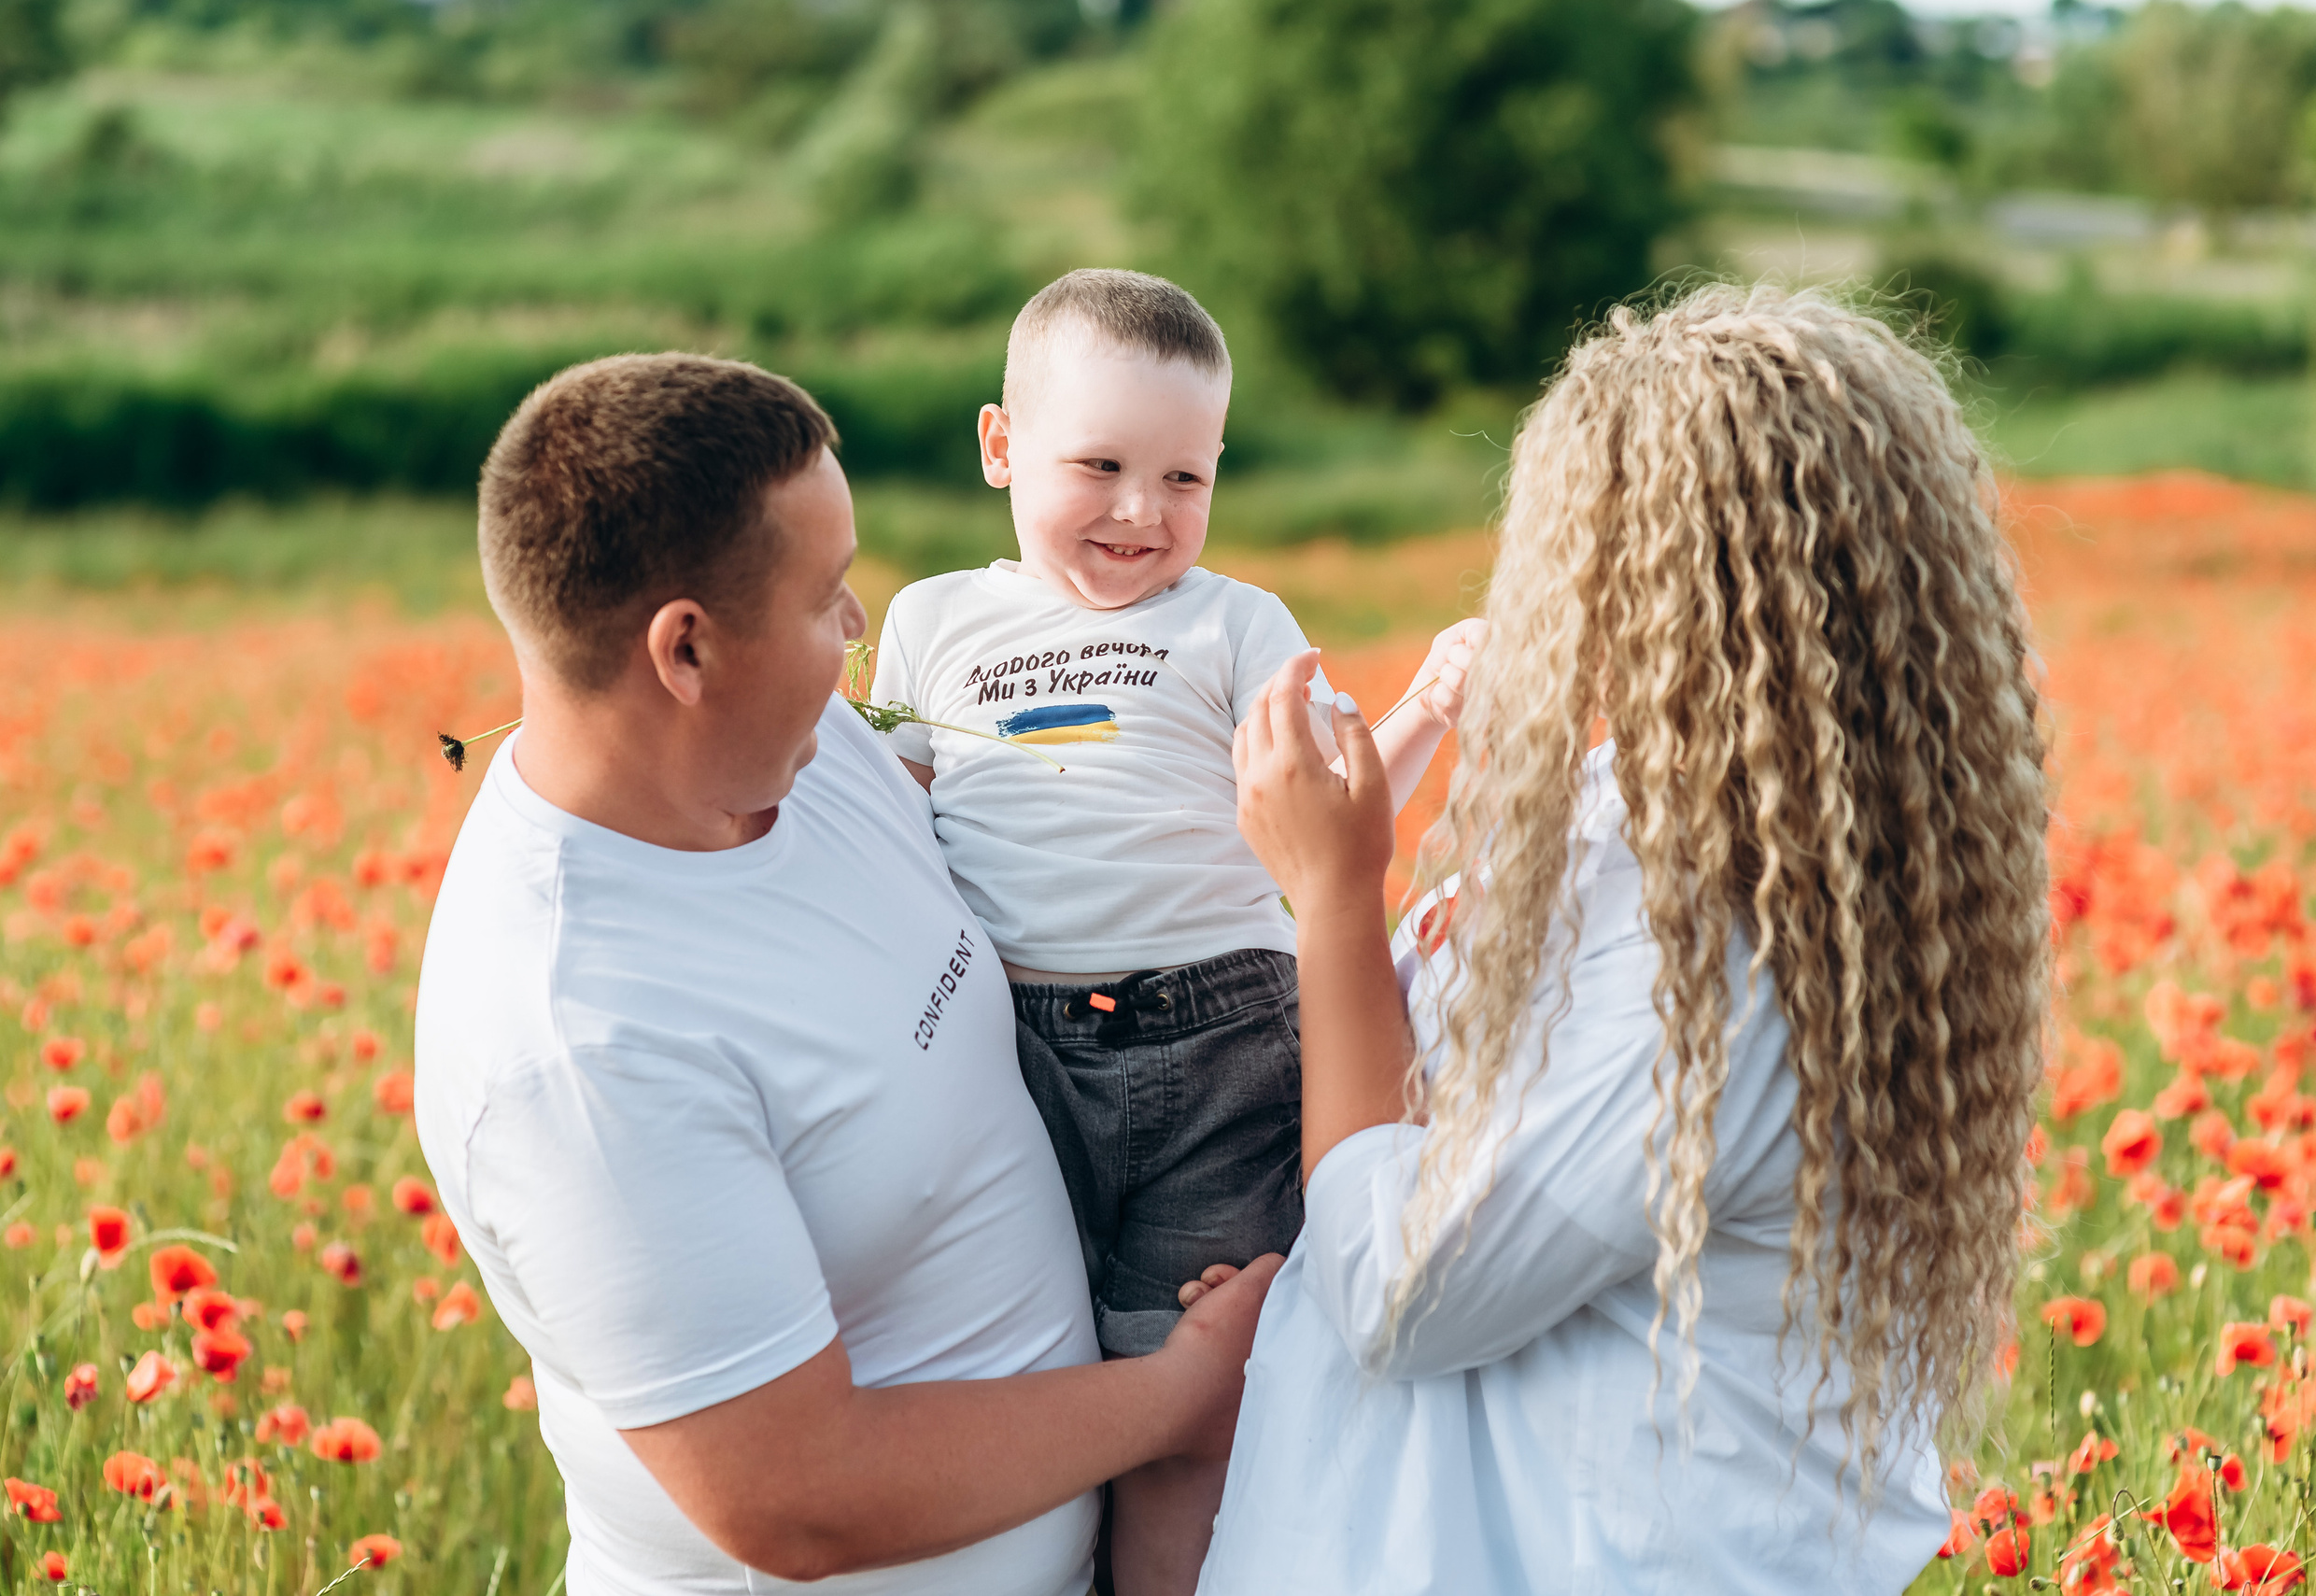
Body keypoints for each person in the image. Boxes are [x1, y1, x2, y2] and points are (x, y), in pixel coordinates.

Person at [1193, 285, 2051, 1593]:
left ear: (1661, 590)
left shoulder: (1717, 945)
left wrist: (1336, 894)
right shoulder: (1717, 829)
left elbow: (1401, 1288)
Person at [411, 352, 1279, 1596]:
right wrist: (1180, 1392)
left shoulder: (812, 762)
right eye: (826, 597)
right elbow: (796, 1498)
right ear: (687, 652)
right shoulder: (582, 1040)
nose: (861, 626)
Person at [866, 268, 1477, 1594]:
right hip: (1007, 1053)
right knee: (1014, 1363)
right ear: (1000, 447)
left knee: (1183, 1390)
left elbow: (1334, 804)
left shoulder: (1234, 623)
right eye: (1101, 465)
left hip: (1221, 1046)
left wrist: (1430, 701)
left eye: (1186, 479)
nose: (1144, 512)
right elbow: (892, 845)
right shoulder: (931, 623)